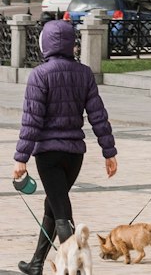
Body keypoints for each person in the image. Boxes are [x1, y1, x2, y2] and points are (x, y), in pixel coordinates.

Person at [12, 19, 118, 275]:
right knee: (54, 205)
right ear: (72, 44)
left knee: (62, 211)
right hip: (73, 156)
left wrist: (21, 158)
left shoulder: (39, 75)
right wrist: (109, 151)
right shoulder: (84, 73)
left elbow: (31, 121)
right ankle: (37, 264)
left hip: (48, 155)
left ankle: (74, 269)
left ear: (44, 43)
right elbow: (98, 116)